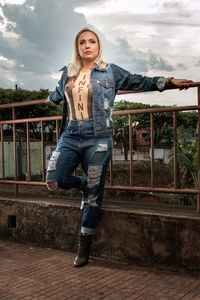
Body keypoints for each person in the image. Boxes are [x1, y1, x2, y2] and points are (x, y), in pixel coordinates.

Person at [45, 27, 193, 267]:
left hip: (98, 139)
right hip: (70, 135)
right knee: (54, 180)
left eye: (92, 41)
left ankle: (84, 244)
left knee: (94, 196)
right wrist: (50, 98)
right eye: (82, 42)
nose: (87, 45)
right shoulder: (68, 72)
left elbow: (139, 80)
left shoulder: (110, 71)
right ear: (77, 47)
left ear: (98, 46)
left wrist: (167, 82)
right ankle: (82, 184)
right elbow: (59, 93)